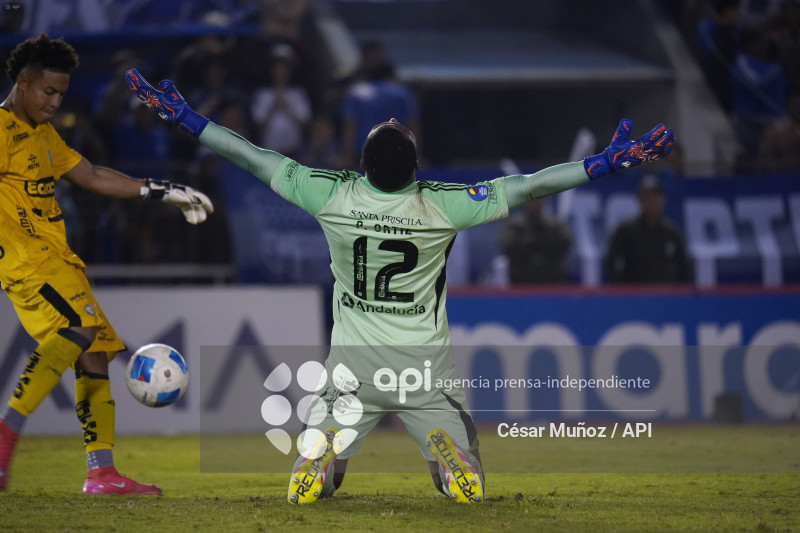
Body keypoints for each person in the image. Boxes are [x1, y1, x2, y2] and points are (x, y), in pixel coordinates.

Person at [126, 67, 674, 504]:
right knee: (462, 474)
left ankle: (318, 462)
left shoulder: (332, 195)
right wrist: (601, 164)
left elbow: (251, 156)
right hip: (423, 370)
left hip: (350, 372)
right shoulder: (442, 204)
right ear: (414, 167)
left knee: (326, 471)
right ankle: (447, 458)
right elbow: (530, 188)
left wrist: (190, 119)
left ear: (362, 166)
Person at [0, 34, 214, 495]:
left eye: (61, 93)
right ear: (22, 82)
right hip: (28, 262)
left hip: (59, 261)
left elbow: (94, 176)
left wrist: (164, 190)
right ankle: (2, 442)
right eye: (47, 92)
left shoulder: (44, 136)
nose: (55, 102)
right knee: (79, 328)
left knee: (93, 351)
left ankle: (101, 473)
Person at [603, 175, 692, 284]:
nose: (651, 202)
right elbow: (611, 261)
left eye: (655, 197)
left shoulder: (671, 232)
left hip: (664, 294)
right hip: (634, 293)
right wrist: (620, 289)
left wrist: (680, 294)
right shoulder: (626, 229)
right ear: (640, 200)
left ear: (663, 200)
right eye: (647, 197)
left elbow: (684, 266)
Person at [497, 196, 573, 284]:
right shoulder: (513, 226)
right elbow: (508, 246)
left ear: (544, 202)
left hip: (552, 280)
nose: (535, 204)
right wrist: (528, 242)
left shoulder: (555, 226)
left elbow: (565, 244)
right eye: (532, 201)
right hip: (521, 281)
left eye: (539, 200)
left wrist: (544, 243)